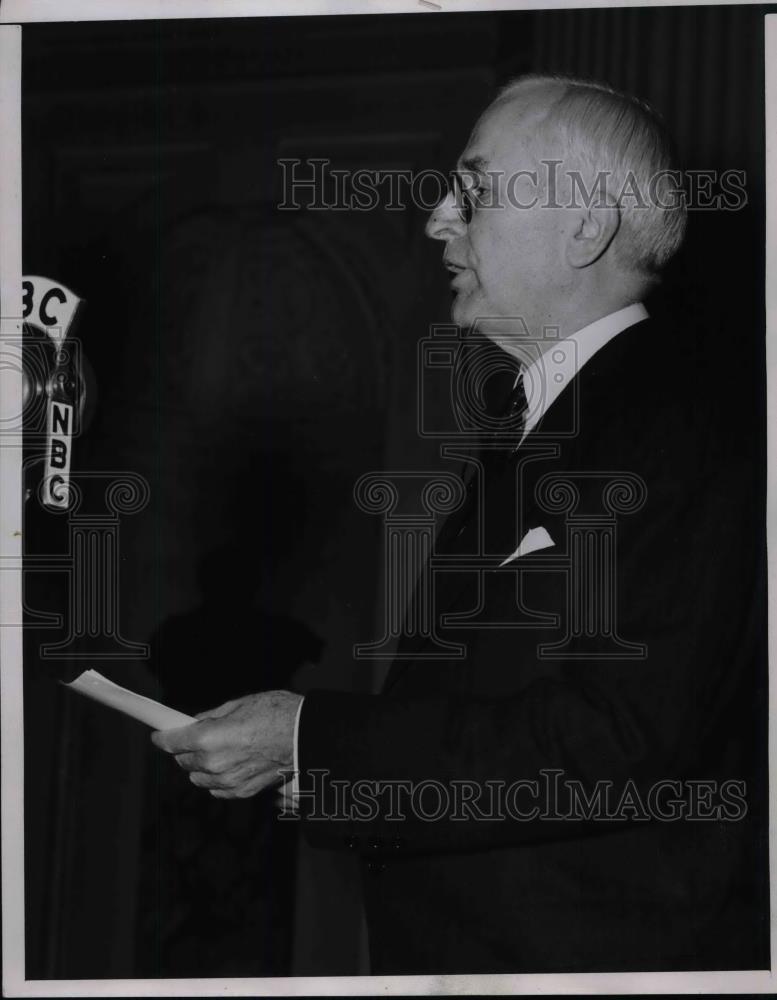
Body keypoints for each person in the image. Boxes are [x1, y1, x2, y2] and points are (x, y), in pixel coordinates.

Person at [151, 75, 767, 974]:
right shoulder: (531, 426)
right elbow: (469, 720)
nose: (439, 218)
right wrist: (294, 762)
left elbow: (619, 738)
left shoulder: (683, 418)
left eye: (473, 192)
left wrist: (309, 737)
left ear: (586, 226)